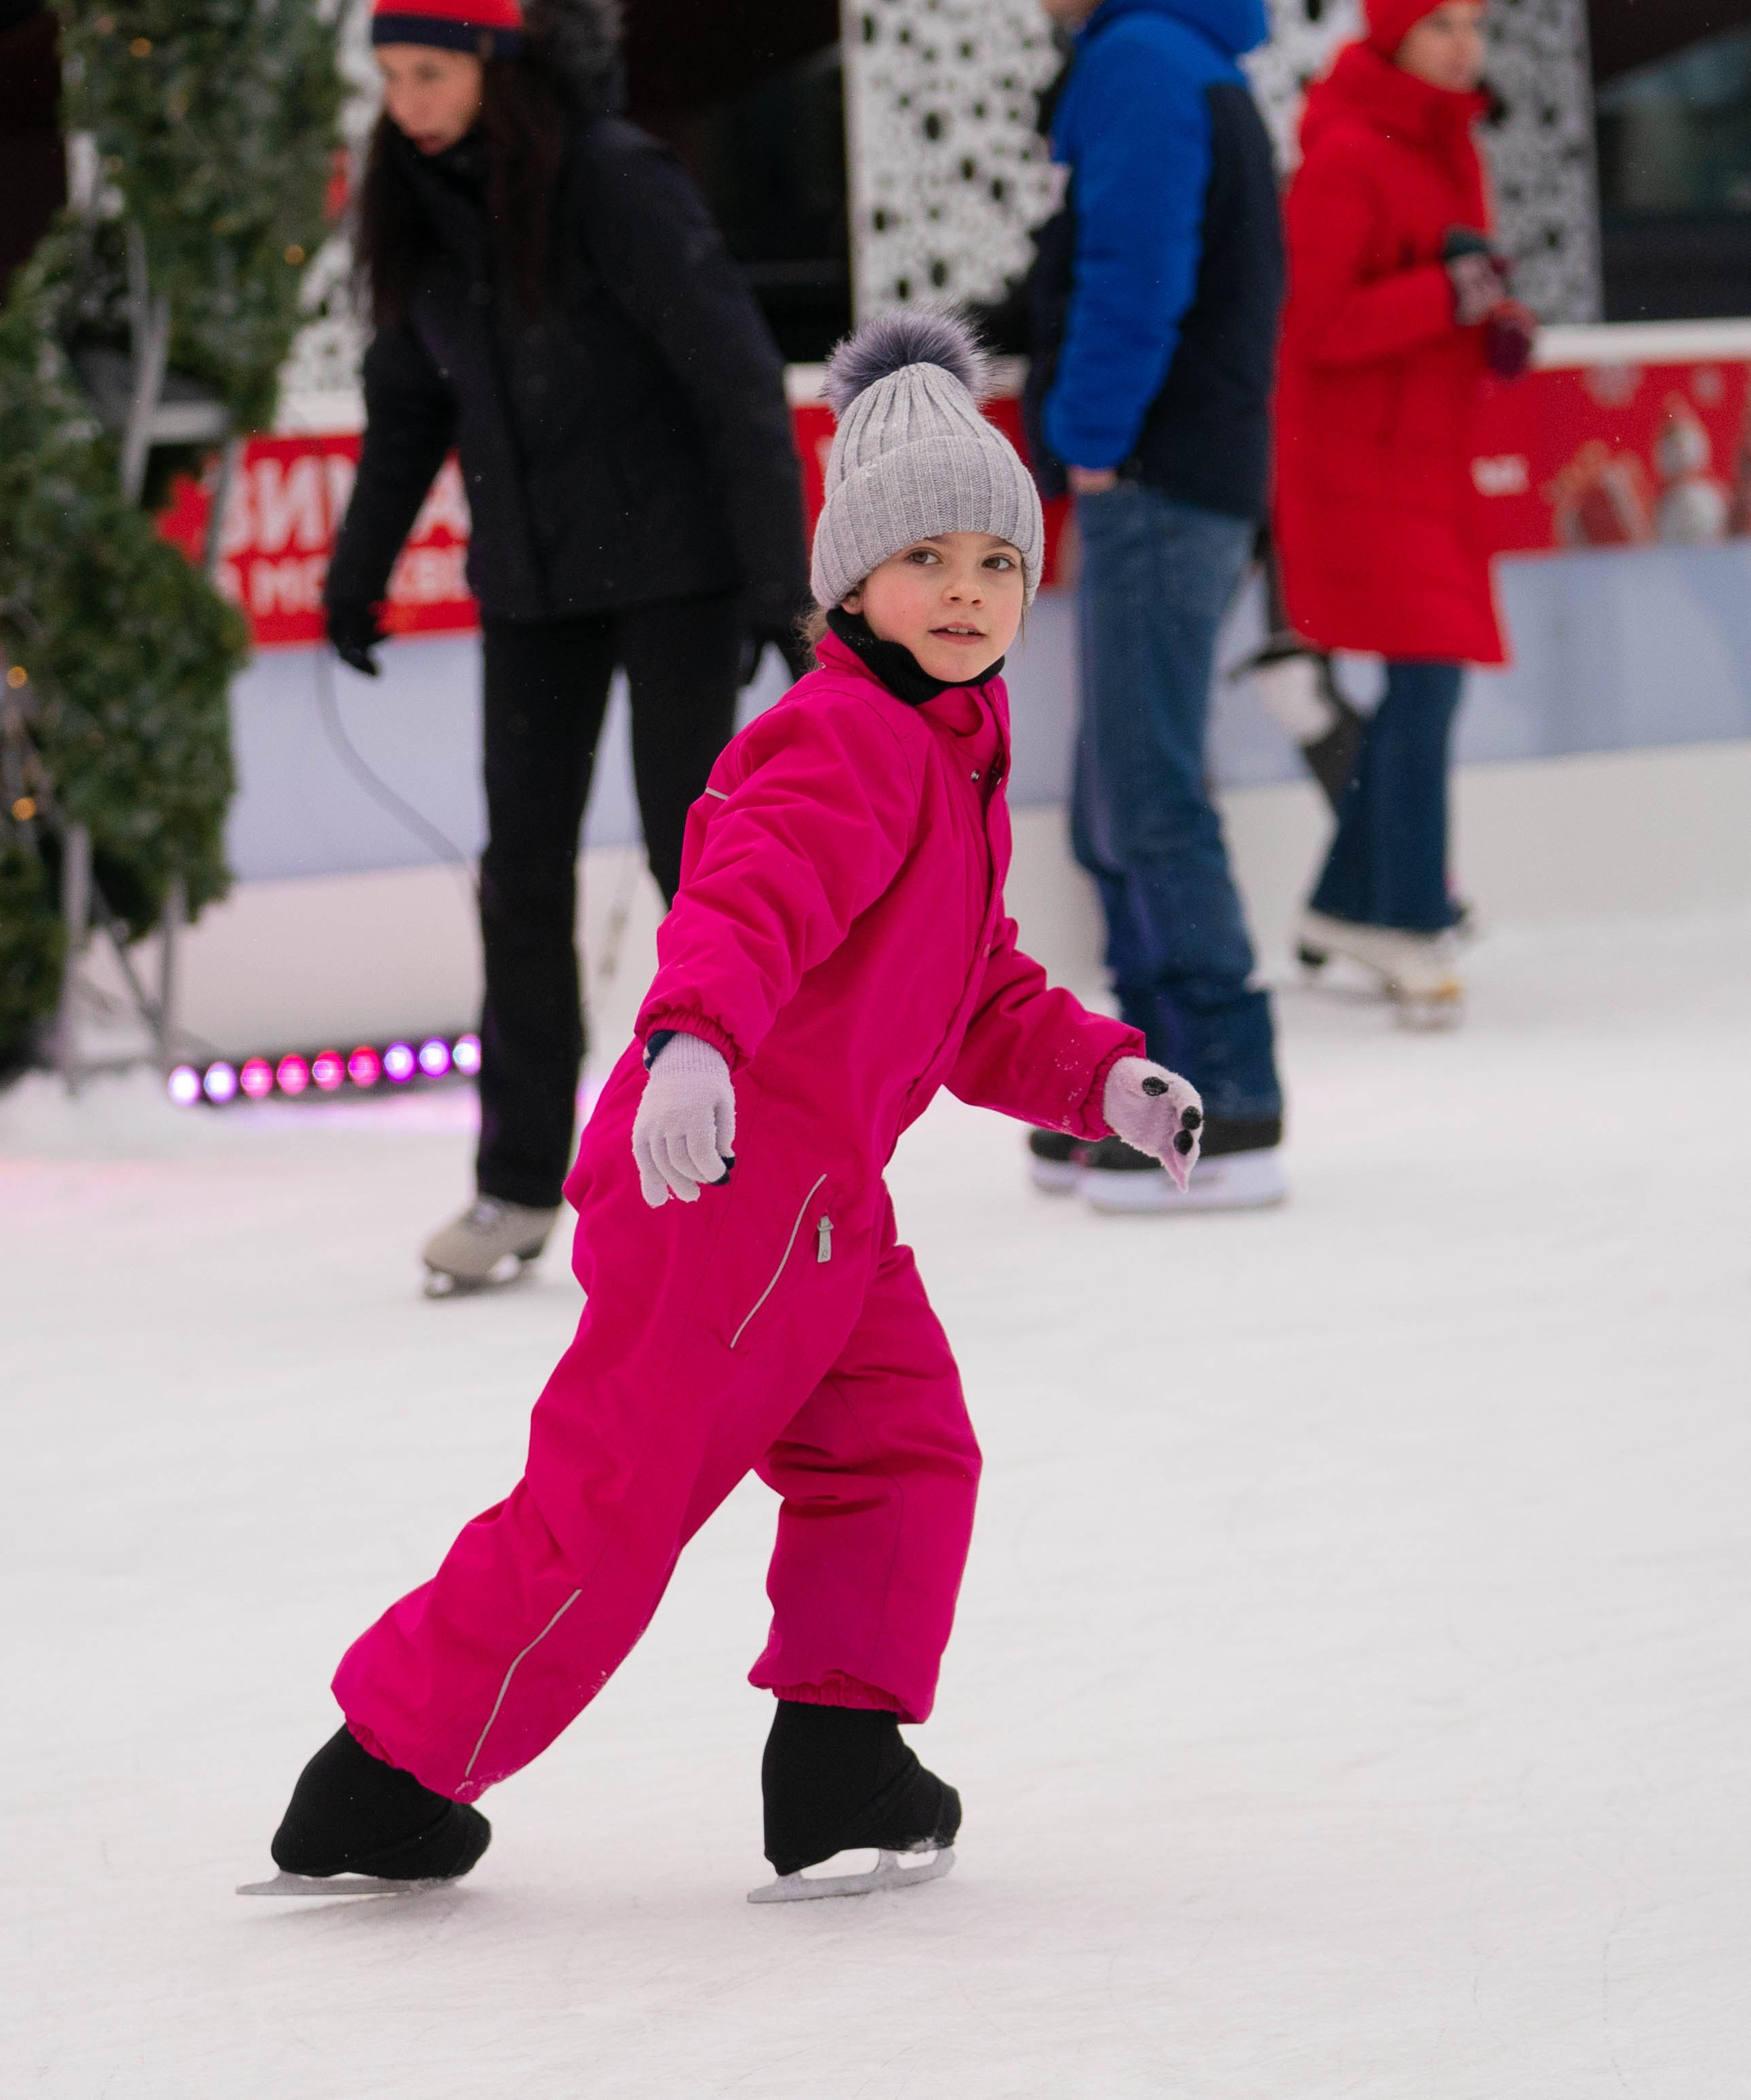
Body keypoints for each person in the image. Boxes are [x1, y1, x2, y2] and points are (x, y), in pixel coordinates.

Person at [260, 314, 1208, 1901]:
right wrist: (691, 1039)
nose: (967, 589)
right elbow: (745, 896)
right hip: (727, 1186)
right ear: (849, 586)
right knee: (611, 1510)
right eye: (927, 559)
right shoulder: (845, 735)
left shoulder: (951, 749)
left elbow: (972, 991)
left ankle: (838, 1756)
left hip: (824, 1204)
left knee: (906, 1452)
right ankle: (383, 1774)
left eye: (995, 558)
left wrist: (1101, 1073)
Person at [322, 0, 812, 1291]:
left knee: (694, 862)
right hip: (536, 587)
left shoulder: (611, 178)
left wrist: (781, 584)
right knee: (521, 876)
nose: (406, 102)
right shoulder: (418, 199)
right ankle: (517, 1183)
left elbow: (733, 374)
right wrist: (357, 572)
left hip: (676, 575)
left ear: (495, 66)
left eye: (428, 73)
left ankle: (762, 1151)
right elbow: (409, 399)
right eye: (389, 77)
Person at [1020, 0, 1288, 1212]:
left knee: (1148, 797)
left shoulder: (1140, 64)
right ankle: (1150, 1087)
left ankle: (1220, 1098)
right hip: (1179, 470)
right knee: (1119, 793)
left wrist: (1088, 439)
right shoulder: (1168, 61)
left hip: (1161, 475)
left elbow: (1138, 272)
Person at [1273, 0, 1534, 1027]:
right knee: (1425, 681)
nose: (1464, 44)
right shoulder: (1346, 155)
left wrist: (1490, 312)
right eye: (1440, 25)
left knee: (1427, 682)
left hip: (1423, 458)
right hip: (1358, 466)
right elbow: (1321, 322)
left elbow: (1444, 279)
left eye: (1473, 23)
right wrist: (1449, 294)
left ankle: (1349, 902)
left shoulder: (1447, 148)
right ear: (1393, 36)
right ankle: (1406, 911)